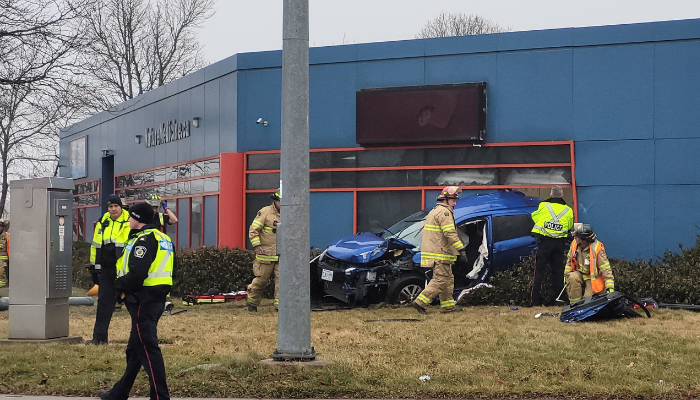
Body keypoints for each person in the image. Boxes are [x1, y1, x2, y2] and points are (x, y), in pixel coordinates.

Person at [97, 202, 173, 400]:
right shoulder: (162, 237)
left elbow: (137, 273)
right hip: (154, 297)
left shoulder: (144, 240)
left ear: (138, 219)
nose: (128, 219)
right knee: (135, 349)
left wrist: (118, 286)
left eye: (131, 216)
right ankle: (119, 392)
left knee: (147, 348)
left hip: (143, 300)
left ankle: (160, 396)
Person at [412, 186, 467, 314]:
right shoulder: (445, 212)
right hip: (440, 253)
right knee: (441, 280)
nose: (455, 202)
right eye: (453, 199)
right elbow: (449, 232)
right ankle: (420, 302)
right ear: (446, 199)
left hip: (438, 252)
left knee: (447, 279)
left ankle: (448, 306)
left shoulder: (435, 211)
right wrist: (461, 249)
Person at [86, 194, 130, 345]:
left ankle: (144, 337)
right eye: (110, 207)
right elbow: (96, 246)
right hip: (106, 269)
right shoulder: (102, 222)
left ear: (121, 207)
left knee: (133, 303)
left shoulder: (129, 222)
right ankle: (99, 338)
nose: (113, 209)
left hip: (125, 271)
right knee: (103, 304)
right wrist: (94, 268)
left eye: (116, 206)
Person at [528, 185, 574, 307]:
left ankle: (535, 301)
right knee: (558, 273)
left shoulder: (544, 206)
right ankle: (555, 300)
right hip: (559, 245)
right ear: (562, 195)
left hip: (544, 244)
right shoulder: (568, 210)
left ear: (550, 194)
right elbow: (569, 226)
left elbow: (535, 217)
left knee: (539, 273)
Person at [246, 188, 281, 312]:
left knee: (282, 283)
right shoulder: (265, 212)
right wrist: (257, 246)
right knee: (260, 281)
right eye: (281, 201)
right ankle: (252, 304)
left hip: (282, 256)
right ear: (275, 201)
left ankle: (280, 308)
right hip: (265, 255)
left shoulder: (290, 214)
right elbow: (253, 230)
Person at [565, 223, 615, 304]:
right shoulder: (575, 244)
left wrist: (610, 287)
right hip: (580, 273)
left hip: (593, 278)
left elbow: (606, 269)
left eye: (577, 237)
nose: (574, 238)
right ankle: (575, 306)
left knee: (587, 301)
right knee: (572, 277)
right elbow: (569, 262)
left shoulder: (597, 249)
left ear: (584, 239)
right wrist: (566, 275)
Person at [0, 221, 9, 287]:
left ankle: (1, 285)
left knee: (1, 272)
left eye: (1, 226)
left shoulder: (5, 235)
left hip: (3, 258)